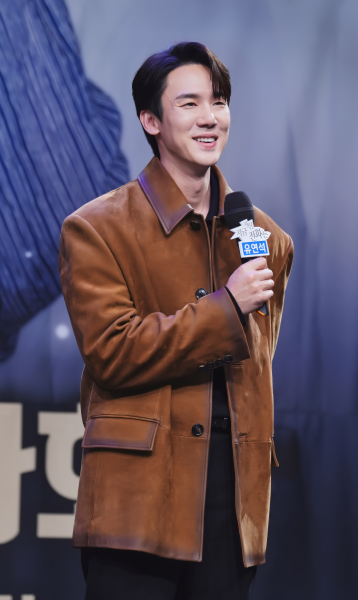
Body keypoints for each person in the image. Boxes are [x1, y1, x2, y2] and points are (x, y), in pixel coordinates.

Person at [59, 41, 293, 600]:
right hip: (137, 501)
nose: (210, 117)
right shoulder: (96, 228)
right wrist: (226, 307)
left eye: (219, 101)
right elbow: (113, 353)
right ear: (151, 121)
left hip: (233, 502)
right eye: (189, 104)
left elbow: (258, 361)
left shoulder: (265, 237)